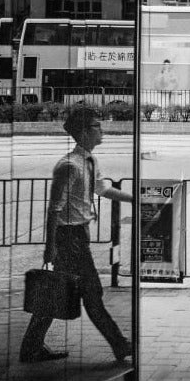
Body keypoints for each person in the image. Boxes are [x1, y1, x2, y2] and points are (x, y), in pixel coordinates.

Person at [20, 106, 133, 363]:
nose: (102, 130)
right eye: (96, 126)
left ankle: (31, 347)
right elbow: (54, 209)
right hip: (68, 237)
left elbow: (102, 189)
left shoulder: (89, 161)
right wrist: (50, 247)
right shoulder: (69, 166)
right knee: (91, 293)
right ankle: (119, 344)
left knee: (57, 291)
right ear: (83, 133)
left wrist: (134, 199)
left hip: (79, 235)